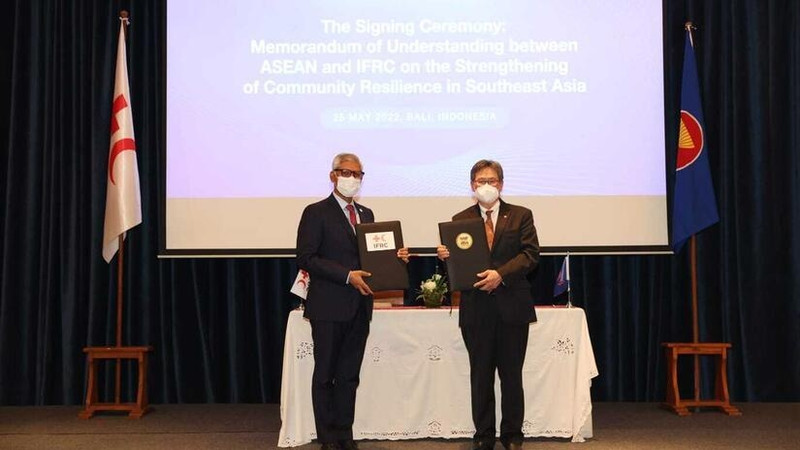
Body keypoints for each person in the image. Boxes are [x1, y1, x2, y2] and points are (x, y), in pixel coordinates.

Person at [296, 153, 409, 450]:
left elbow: (372, 258)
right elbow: (306, 257)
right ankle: (327, 438)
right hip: (328, 306)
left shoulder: (367, 214)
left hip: (359, 307)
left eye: (357, 174)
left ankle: (344, 435)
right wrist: (347, 275)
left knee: (349, 376)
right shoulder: (315, 212)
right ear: (333, 176)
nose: (352, 178)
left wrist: (395, 258)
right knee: (325, 375)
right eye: (346, 172)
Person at [437, 160, 540, 450]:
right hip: (476, 308)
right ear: (472, 185)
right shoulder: (460, 219)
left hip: (512, 307)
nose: (486, 186)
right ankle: (483, 434)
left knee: (511, 376)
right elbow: (459, 268)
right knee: (480, 376)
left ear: (501, 184)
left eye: (492, 180)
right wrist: (446, 258)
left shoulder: (520, 215)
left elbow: (530, 255)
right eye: (480, 181)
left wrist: (500, 275)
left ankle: (512, 434)